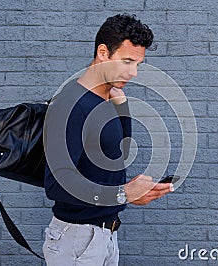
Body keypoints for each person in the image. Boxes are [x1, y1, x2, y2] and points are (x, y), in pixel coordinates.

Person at [43, 14, 174, 265]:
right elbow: (57, 184)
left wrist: (122, 108)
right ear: (103, 52)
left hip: (105, 237)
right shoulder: (71, 104)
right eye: (127, 61)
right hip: (77, 240)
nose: (133, 72)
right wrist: (123, 194)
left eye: (138, 64)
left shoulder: (108, 99)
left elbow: (117, 156)